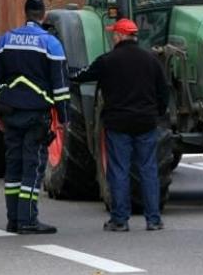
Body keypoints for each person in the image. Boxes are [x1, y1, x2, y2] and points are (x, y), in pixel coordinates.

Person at [71, 18, 168, 232]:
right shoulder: (152, 60)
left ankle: (120, 220)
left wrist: (65, 71)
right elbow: (164, 92)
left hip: (118, 124)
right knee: (149, 170)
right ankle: (153, 219)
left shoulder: (107, 60)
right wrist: (156, 114)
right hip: (146, 122)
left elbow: (82, 76)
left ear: (120, 36)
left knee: (119, 171)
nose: (112, 37)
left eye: (114, 34)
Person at [0, 0, 70, 235]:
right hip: (36, 116)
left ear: (25, 13)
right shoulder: (51, 43)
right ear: (42, 14)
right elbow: (61, 87)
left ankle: (13, 219)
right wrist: (64, 119)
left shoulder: (5, 40)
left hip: (11, 114)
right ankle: (28, 221)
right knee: (32, 168)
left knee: (13, 167)